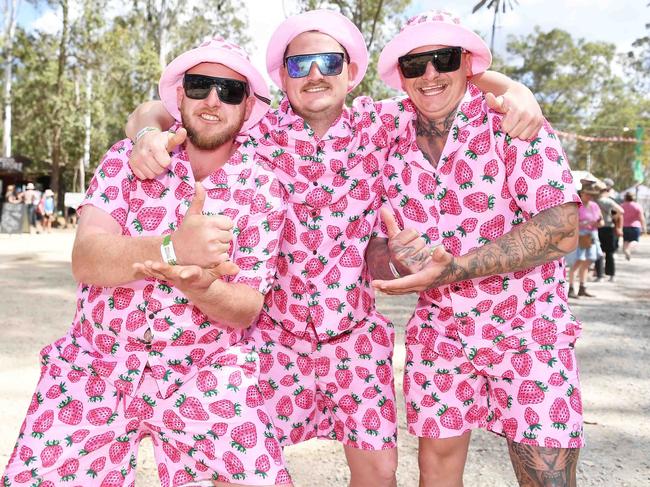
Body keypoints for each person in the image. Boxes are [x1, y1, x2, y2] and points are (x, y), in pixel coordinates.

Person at [124, 10, 545, 486]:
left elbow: (451, 78)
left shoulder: (381, 123)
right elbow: (162, 109)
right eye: (300, 65)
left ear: (351, 71)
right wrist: (143, 134)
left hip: (355, 337)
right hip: (269, 337)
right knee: (237, 467)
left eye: (329, 61)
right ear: (283, 77)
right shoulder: (255, 132)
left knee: (378, 471)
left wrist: (517, 90)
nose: (316, 73)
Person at [2, 37, 293, 487]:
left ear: (248, 104)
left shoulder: (265, 189)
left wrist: (199, 285)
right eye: (200, 85)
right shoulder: (125, 160)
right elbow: (86, 259)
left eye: (230, 91)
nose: (213, 100)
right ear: (179, 95)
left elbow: (247, 307)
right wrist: (172, 247)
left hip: (206, 369)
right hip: (96, 362)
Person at [369, 11, 584, 486]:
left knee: (547, 479)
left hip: (529, 328)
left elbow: (562, 228)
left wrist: (454, 270)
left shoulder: (509, 119)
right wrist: (393, 255)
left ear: (466, 63)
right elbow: (371, 247)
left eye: (442, 58)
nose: (429, 75)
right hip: (441, 333)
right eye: (414, 64)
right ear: (400, 75)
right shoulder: (383, 132)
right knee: (438, 475)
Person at [566, 180, 604, 298]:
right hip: (580, 236)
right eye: (587, 193)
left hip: (592, 236)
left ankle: (582, 287)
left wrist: (598, 223)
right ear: (581, 193)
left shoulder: (595, 206)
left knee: (588, 261)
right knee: (578, 262)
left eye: (591, 194)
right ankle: (571, 288)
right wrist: (583, 224)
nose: (589, 196)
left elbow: (601, 221)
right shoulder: (576, 206)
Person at [594, 180, 624, 281]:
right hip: (609, 228)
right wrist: (613, 217)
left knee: (599, 252)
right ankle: (611, 275)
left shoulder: (593, 201)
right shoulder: (608, 201)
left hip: (597, 228)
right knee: (609, 252)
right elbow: (621, 211)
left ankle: (599, 275)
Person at [621, 191, 647, 260]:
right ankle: (628, 249)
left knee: (626, 240)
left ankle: (626, 249)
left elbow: (616, 215)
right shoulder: (637, 206)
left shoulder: (622, 205)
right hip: (635, 226)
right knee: (635, 241)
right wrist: (644, 227)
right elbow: (641, 218)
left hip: (624, 226)